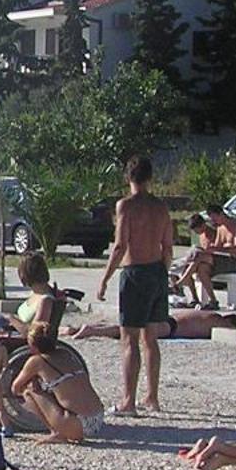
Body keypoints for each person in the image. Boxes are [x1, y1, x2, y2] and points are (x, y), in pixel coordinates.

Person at [96, 155, 175, 415]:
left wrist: (105, 278)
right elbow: (168, 247)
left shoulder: (126, 206)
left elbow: (120, 246)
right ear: (150, 177)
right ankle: (152, 396)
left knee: (129, 338)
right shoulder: (161, 207)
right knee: (150, 338)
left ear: (128, 177)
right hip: (156, 271)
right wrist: (164, 273)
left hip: (135, 271)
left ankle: (128, 400)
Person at [12, 322, 106, 443]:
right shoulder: (66, 353)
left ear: (33, 345)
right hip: (98, 418)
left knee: (29, 391)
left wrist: (34, 382)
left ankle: (57, 433)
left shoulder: (37, 361)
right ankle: (63, 430)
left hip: (76, 424)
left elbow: (15, 388)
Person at [187, 202, 236, 309]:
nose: (213, 222)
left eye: (214, 218)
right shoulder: (220, 228)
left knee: (200, 256)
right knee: (202, 268)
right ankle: (213, 301)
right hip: (222, 261)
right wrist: (210, 248)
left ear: (221, 214)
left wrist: (215, 249)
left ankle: (183, 279)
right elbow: (217, 248)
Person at [67, 309, 236, 340]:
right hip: (172, 327)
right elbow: (233, 332)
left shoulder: (206, 313)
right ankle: (91, 331)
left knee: (129, 326)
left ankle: (75, 329)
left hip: (169, 320)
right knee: (128, 331)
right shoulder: (217, 320)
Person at [10, 251, 64, 334]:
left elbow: (35, 333)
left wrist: (11, 319)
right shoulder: (36, 293)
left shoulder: (45, 300)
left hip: (26, 341)